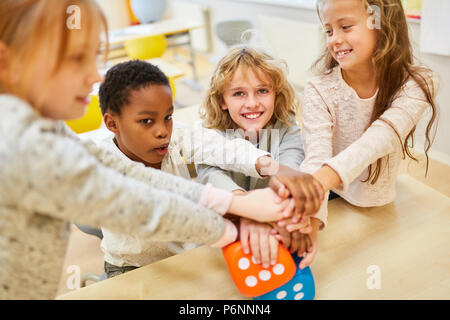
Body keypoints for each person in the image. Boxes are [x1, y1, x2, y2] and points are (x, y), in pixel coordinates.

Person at [0, 0, 295, 299]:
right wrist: (233, 225)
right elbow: (140, 204)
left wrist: (252, 188)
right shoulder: (19, 144)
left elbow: (142, 179)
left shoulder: (42, 130)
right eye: (77, 58)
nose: (95, 76)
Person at [270, 0, 439, 269]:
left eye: (346, 26)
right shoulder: (319, 88)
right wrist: (311, 217)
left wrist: (317, 183)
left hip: (372, 200)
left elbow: (381, 137)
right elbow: (316, 157)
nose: (334, 40)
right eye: (328, 31)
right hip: (328, 195)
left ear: (383, 25)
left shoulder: (418, 83)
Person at [97, 60, 296, 278]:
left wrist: (272, 166)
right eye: (146, 121)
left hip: (183, 256)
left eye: (168, 117)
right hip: (131, 267)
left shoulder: (176, 137)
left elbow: (221, 148)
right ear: (113, 124)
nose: (163, 131)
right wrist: (240, 208)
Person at [197, 46, 325, 269]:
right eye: (239, 93)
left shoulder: (287, 126)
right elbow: (211, 176)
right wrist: (249, 211)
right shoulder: (209, 134)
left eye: (262, 91)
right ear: (222, 101)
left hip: (275, 228)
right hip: (226, 235)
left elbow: (291, 167)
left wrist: (279, 216)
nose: (252, 103)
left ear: (276, 93)